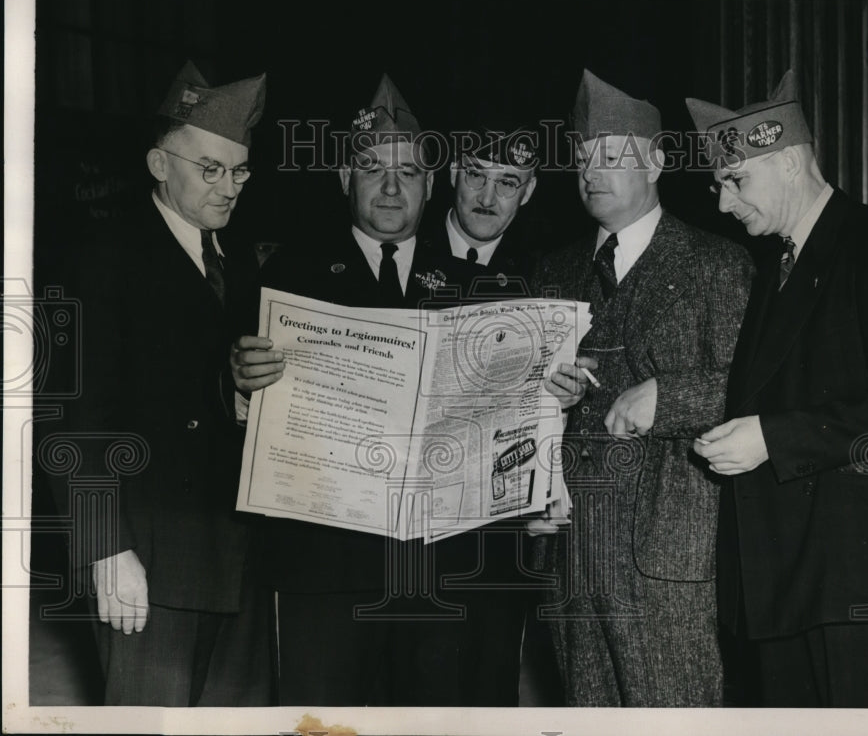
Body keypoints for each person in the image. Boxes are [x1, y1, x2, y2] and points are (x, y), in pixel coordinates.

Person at [230, 74, 549, 706]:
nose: (393, 186)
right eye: (372, 168)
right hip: (324, 566)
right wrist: (240, 388)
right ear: (343, 179)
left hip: (438, 573)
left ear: (433, 186)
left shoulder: (476, 290)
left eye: (409, 171)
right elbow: (239, 391)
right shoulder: (288, 276)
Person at [689, 70, 868, 707]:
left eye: (735, 180)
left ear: (789, 161)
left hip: (855, 588)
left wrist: (772, 437)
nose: (722, 204)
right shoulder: (778, 262)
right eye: (718, 184)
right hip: (790, 584)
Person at [530, 69, 754, 706]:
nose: (590, 173)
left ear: (655, 161)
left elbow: (754, 389)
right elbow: (519, 409)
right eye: (579, 159)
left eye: (608, 156)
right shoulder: (554, 269)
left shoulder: (717, 264)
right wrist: (528, 489)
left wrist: (669, 397)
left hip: (671, 566)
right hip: (571, 559)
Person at [56, 61, 271, 705]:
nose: (229, 187)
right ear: (159, 164)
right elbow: (72, 417)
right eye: (210, 168)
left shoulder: (238, 266)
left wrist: (240, 394)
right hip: (149, 560)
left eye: (239, 171)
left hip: (239, 553)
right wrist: (104, 549)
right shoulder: (103, 259)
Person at [422, 126, 540, 296]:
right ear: (454, 173)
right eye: (476, 175)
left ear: (528, 191)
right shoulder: (403, 251)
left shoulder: (537, 276)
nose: (486, 200)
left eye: (507, 184)